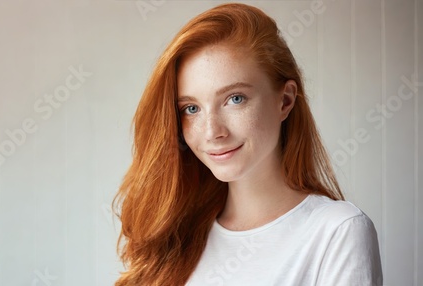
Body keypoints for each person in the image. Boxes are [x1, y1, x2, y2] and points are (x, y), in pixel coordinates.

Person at [113, 3, 383, 285]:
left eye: (235, 99)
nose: (212, 132)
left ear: (285, 100)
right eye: (191, 109)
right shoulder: (177, 237)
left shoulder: (337, 232)